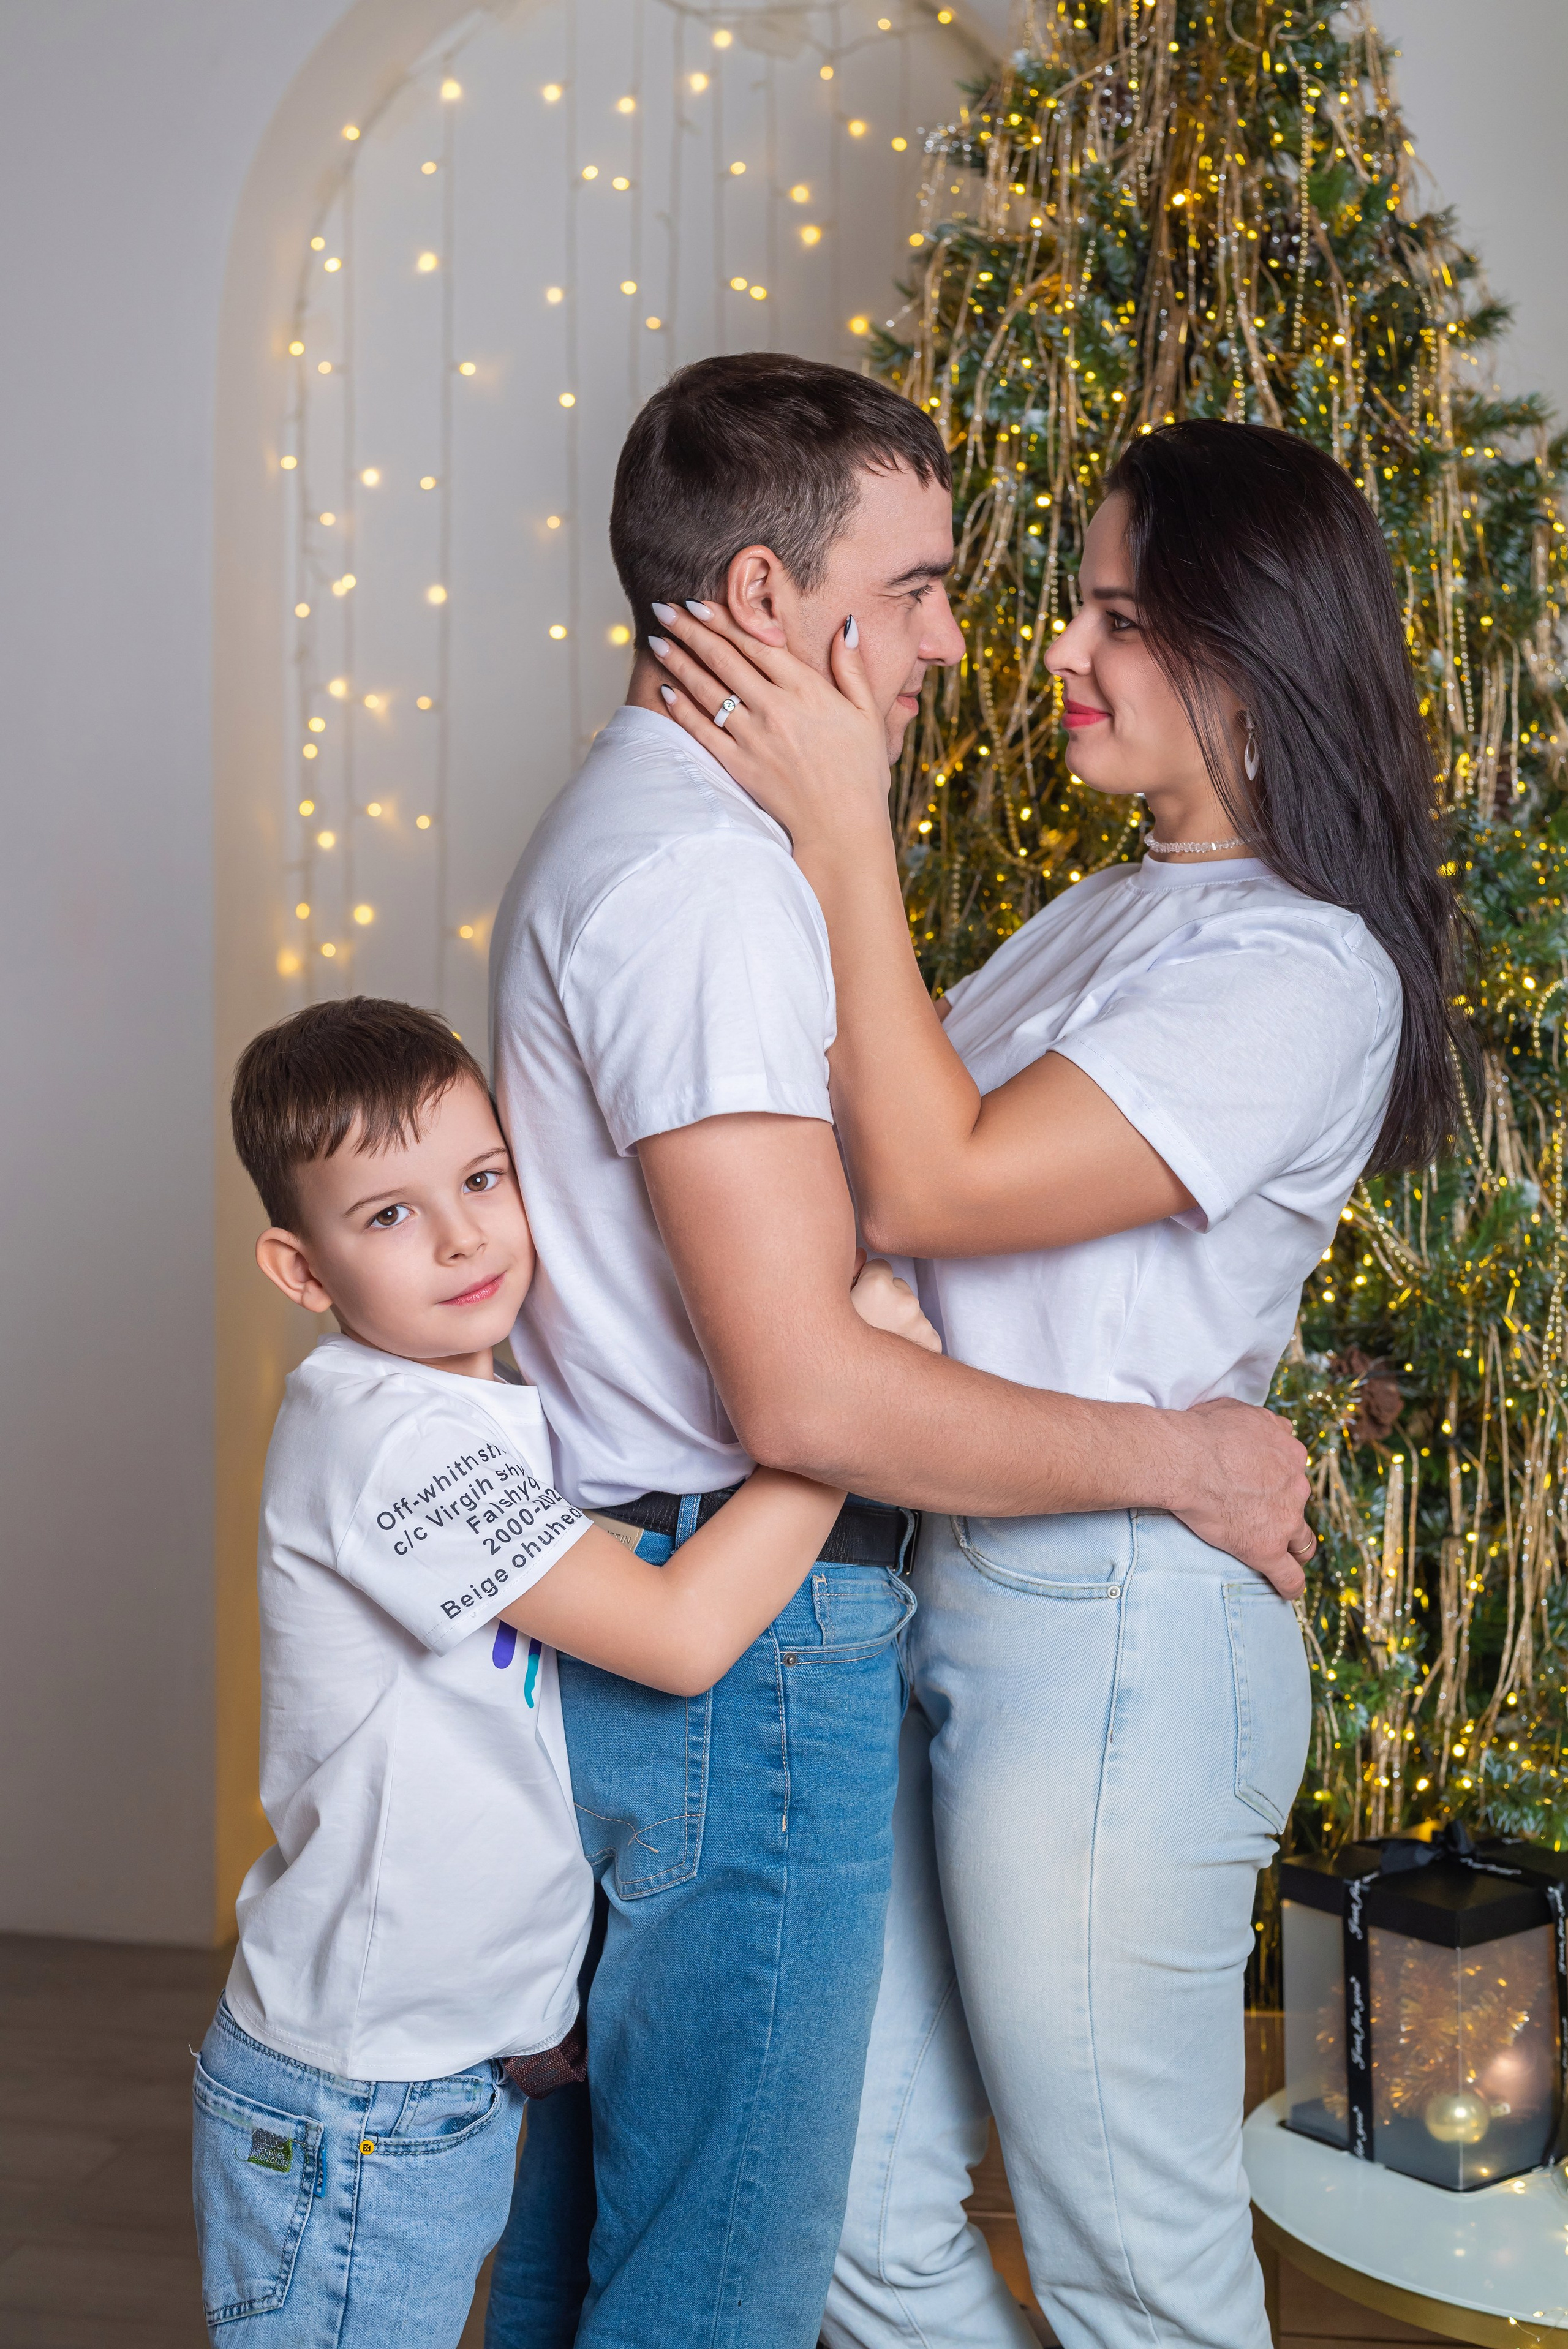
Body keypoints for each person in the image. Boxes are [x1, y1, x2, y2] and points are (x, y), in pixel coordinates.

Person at [483, 361, 1315, 2349]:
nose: (986, 636)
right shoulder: (711, 876)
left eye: (1110, 610)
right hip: (762, 1610)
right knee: (739, 2251)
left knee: (730, 2232)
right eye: (930, 581)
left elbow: (888, 1205)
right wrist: (1184, 1452)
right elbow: (836, 1316)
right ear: (772, 600)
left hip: (987, 1628)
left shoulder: (1284, 954)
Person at [646, 416, 1464, 2349]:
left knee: (1134, 2263)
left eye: (1117, 615)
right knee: (849, 2203)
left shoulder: (1306, 965)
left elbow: (936, 1178)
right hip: (952, 1585)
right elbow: (876, 1187)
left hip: (1116, 1642)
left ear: (1248, 645)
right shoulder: (1108, 910)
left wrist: (844, 826)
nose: (1059, 656)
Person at [192, 995, 934, 2348]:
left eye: (481, 1179)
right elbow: (678, 1633)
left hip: (435, 2071)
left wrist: (524, 1999)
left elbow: (482, 1742)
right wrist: (849, 1392)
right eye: (388, 1215)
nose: (464, 1234)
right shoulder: (387, 1439)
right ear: (302, 1272)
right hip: (355, 2104)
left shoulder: (465, 1411)